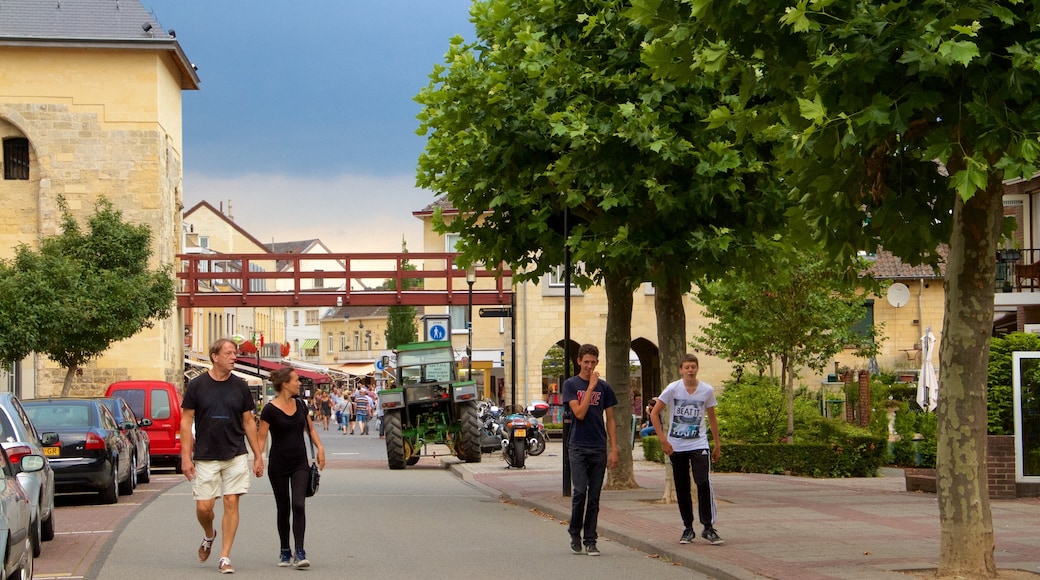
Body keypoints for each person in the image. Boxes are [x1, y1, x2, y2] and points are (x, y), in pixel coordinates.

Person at [181, 338, 265, 575]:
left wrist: (258, 456)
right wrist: (185, 457)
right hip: (206, 454)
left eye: (235, 353)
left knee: (231, 501)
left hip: (235, 453)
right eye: (228, 353)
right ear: (214, 356)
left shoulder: (240, 385)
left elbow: (248, 421)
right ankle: (209, 534)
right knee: (205, 507)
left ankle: (224, 556)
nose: (234, 357)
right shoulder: (197, 385)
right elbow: (186, 421)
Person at [649, 353, 724, 546]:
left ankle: (708, 527)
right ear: (681, 370)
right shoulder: (673, 389)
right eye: (687, 367)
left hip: (699, 444)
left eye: (693, 366)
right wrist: (663, 440)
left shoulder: (706, 390)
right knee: (681, 487)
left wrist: (717, 443)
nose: (690, 370)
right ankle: (688, 528)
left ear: (697, 368)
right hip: (677, 445)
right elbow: (654, 413)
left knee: (702, 482)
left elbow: (712, 418)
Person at [257, 367, 326, 568]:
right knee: (283, 507)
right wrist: (258, 459)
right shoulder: (269, 410)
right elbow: (261, 437)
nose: (299, 383)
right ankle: (284, 549)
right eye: (296, 380)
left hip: (299, 463)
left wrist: (320, 448)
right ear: (285, 384)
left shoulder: (301, 405)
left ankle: (300, 551)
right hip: (278, 464)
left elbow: (310, 429)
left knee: (298, 504)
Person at [562, 343, 618, 556]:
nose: (589, 366)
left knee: (594, 496)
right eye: (586, 362)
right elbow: (580, 413)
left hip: (598, 446)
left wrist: (614, 448)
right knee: (579, 492)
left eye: (593, 362)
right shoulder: (571, 385)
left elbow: (611, 419)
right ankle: (575, 531)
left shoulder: (605, 387)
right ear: (579, 361)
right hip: (577, 446)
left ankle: (591, 539)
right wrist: (591, 387)